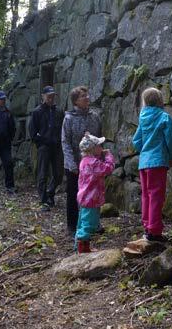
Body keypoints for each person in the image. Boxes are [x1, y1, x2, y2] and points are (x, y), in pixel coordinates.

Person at [132, 87, 172, 242]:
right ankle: (154, 231)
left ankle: (147, 226)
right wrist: (171, 155)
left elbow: (136, 141)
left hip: (144, 163)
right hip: (158, 162)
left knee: (146, 195)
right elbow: (171, 141)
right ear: (160, 100)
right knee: (157, 196)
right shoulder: (164, 118)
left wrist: (144, 151)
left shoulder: (143, 118)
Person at [61, 86, 101, 234]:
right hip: (74, 164)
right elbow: (65, 142)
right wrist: (72, 164)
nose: (87, 98)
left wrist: (100, 159)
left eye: (87, 95)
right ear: (75, 101)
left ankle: (94, 223)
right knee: (73, 194)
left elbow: (99, 139)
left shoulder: (94, 116)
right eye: (83, 96)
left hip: (92, 164)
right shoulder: (69, 118)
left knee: (94, 193)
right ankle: (72, 226)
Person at [75, 133, 115, 253]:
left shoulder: (85, 161)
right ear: (93, 149)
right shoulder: (93, 163)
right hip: (91, 198)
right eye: (99, 145)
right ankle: (83, 248)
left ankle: (80, 245)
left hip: (84, 197)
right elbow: (108, 168)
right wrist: (108, 156)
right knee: (89, 224)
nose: (102, 147)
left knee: (82, 222)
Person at [29, 86, 64, 211]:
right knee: (42, 174)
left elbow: (63, 129)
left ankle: (50, 193)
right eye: (48, 96)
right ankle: (43, 200)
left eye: (53, 96)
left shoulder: (59, 111)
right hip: (44, 147)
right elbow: (32, 133)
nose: (51, 98)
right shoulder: (37, 112)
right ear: (43, 96)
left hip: (57, 146)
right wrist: (42, 141)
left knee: (58, 174)